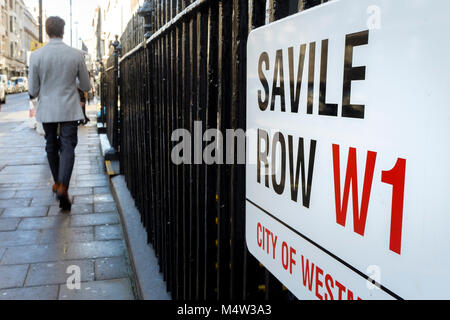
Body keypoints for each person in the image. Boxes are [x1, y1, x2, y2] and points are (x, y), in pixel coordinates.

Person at [28, 16, 91, 212]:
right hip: (69, 109)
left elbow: (33, 90)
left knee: (51, 145)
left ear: (46, 32)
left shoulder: (36, 56)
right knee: (68, 146)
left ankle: (59, 184)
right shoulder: (75, 54)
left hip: (47, 109)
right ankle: (63, 186)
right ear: (63, 31)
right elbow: (86, 85)